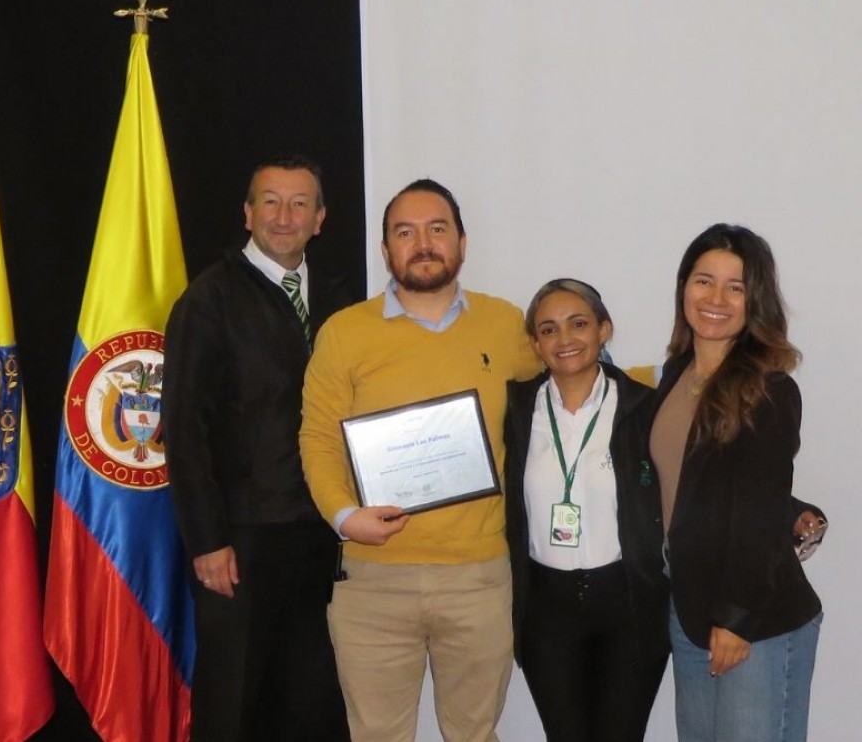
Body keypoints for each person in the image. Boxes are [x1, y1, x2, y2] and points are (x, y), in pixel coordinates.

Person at [300, 178, 541, 742]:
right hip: (372, 579)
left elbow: (572, 378)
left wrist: (672, 378)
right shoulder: (344, 333)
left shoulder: (506, 325)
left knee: (474, 735)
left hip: (478, 577)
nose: (423, 243)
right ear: (386, 250)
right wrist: (344, 517)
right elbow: (318, 438)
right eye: (405, 233)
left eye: (437, 229)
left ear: (462, 242)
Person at [163, 154, 353, 742]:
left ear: (320, 219)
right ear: (247, 214)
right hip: (240, 543)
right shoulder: (208, 300)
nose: (284, 216)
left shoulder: (341, 302)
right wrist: (208, 540)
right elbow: (183, 427)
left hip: (319, 535)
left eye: (299, 204)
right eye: (270, 201)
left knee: (311, 706)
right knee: (233, 706)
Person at [650, 223, 822, 742]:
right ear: (684, 287)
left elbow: (757, 508)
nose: (716, 299)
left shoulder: (769, 389)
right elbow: (701, 483)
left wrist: (736, 618)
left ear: (755, 301)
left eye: (736, 287)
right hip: (688, 607)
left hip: (754, 619)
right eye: (704, 281)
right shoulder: (676, 375)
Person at [503, 278, 671, 742]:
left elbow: (694, 479)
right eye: (549, 329)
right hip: (547, 609)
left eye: (578, 324)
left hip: (628, 603)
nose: (565, 339)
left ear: (604, 330)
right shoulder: (516, 410)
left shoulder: (644, 407)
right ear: (535, 344)